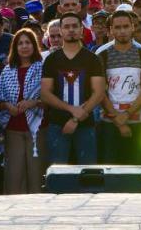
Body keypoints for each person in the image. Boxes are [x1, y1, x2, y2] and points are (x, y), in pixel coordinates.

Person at [40, 12, 106, 165]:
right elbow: (45, 94)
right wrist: (71, 109)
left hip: (86, 125)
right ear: (61, 30)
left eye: (75, 26)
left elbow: (99, 93)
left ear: (82, 30)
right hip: (57, 125)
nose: (71, 30)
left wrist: (76, 118)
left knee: (88, 175)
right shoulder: (51, 60)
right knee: (58, 175)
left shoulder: (92, 59)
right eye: (67, 27)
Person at [96, 11, 141, 165]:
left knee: (137, 170)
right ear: (111, 30)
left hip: (138, 122)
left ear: (133, 27)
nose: (122, 31)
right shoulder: (103, 55)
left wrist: (126, 115)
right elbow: (100, 92)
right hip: (109, 123)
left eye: (126, 26)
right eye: (117, 27)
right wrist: (118, 121)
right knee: (110, 170)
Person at [0, 28, 45, 194]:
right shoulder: (8, 70)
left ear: (35, 45)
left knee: (36, 175)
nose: (24, 46)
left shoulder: (43, 68)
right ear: (15, 47)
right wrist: (7, 106)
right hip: (13, 128)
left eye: (28, 42)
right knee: (14, 177)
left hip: (37, 129)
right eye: (20, 43)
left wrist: (34, 102)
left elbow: (53, 97)